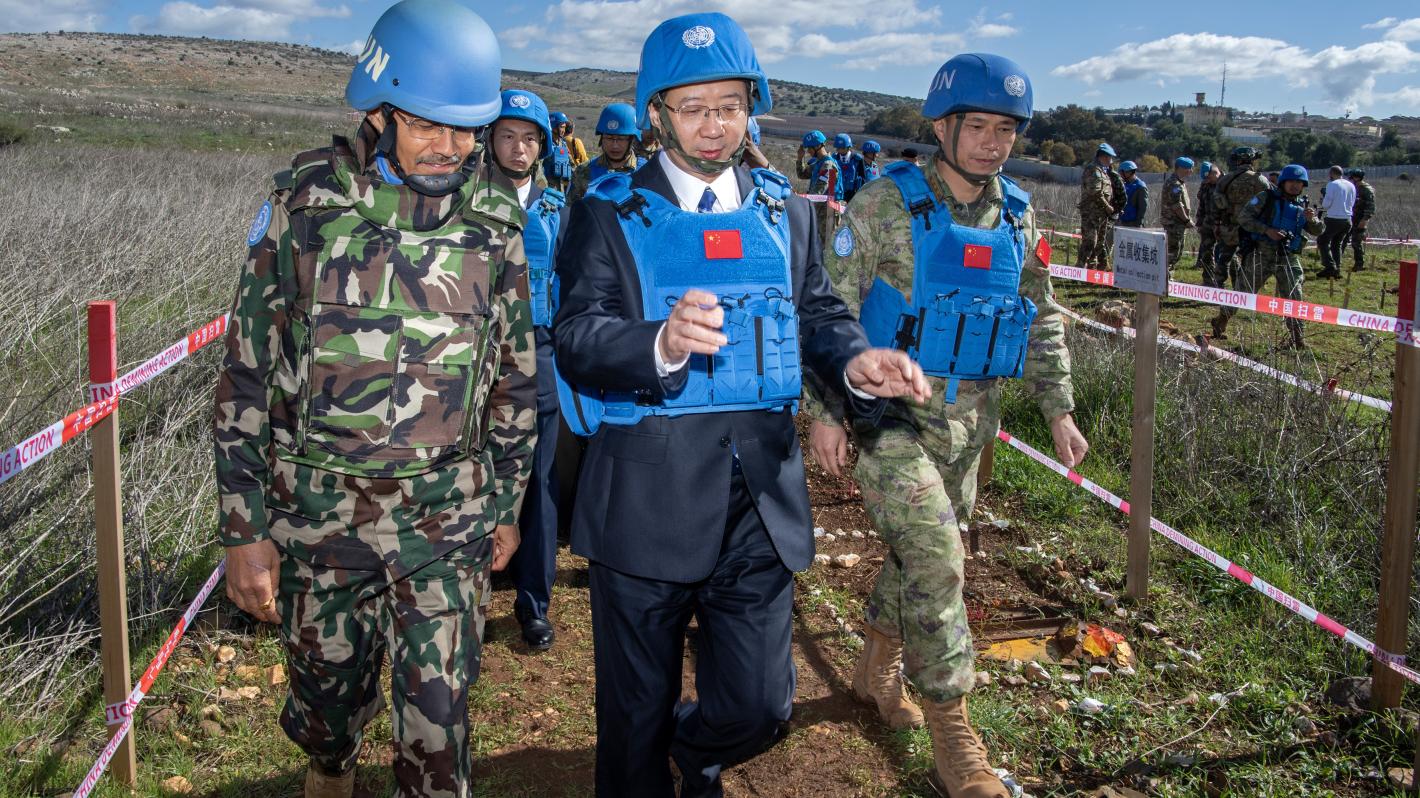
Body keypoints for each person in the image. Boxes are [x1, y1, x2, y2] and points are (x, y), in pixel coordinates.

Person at [552, 13, 929, 796]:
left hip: (758, 498)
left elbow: (819, 313)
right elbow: (578, 334)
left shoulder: (786, 211)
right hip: (644, 503)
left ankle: (695, 754)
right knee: (632, 721)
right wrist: (659, 341)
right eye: (693, 108)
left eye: (730, 105)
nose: (715, 126)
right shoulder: (606, 210)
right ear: (656, 114)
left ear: (750, 106)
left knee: (761, 704)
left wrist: (860, 361)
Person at [213, 2, 536, 796]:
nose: (451, 147)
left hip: (444, 519)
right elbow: (245, 375)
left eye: (467, 130)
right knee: (327, 710)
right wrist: (243, 532)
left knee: (439, 725)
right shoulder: (305, 211)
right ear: (382, 107)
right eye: (430, 125)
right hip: (320, 516)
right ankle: (330, 767)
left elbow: (515, 378)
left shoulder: (495, 226)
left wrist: (505, 501)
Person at [807, 53, 1087, 798]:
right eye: (980, 127)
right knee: (938, 557)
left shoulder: (1021, 215)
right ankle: (955, 734)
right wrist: (828, 411)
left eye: (1007, 129)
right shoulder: (882, 204)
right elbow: (828, 309)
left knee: (920, 557)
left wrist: (1057, 407)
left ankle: (875, 664)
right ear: (942, 126)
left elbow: (1042, 317)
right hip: (886, 418)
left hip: (971, 421)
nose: (994, 143)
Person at [488, 88, 569, 654]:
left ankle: (533, 603)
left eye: (530, 138)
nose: (520, 148)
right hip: (473, 361)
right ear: (490, 140)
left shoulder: (559, 210)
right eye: (509, 136)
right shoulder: (461, 201)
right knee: (469, 479)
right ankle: (462, 596)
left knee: (539, 484)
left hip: (540, 357)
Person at [1211, 163, 1322, 349]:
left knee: (1295, 297)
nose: (1295, 186)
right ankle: (1221, 319)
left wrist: (1313, 220)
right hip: (1261, 255)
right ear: (1283, 182)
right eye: (1291, 182)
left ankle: (1297, 338)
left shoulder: (1302, 206)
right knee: (1242, 293)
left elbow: (1317, 230)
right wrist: (1267, 230)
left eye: (1299, 183)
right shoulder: (1266, 198)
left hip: (1287, 257)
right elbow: (1244, 218)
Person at [1210, 146, 1269, 333]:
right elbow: (1269, 201)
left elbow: (1217, 202)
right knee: (1248, 261)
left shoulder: (1226, 179)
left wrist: (1220, 221)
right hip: (1251, 229)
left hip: (1229, 225)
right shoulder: (1259, 180)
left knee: (1224, 257)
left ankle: (1218, 285)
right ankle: (1239, 289)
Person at [568, 102, 644, 202]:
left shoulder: (645, 171)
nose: (614, 145)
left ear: (632, 140)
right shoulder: (583, 172)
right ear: (601, 139)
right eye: (609, 138)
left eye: (621, 139)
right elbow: (572, 212)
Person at [797, 129, 843, 251]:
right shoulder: (819, 163)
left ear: (818, 146)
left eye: (810, 148)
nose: (808, 151)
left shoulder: (828, 165)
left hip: (828, 213)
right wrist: (800, 158)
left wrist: (800, 199)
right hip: (819, 210)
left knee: (826, 248)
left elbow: (819, 192)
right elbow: (802, 174)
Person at [1077, 142, 1118, 268]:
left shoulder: (1103, 171)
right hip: (1091, 212)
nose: (1111, 160)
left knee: (1099, 244)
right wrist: (1107, 206)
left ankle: (1091, 271)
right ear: (1103, 157)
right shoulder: (1093, 170)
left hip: (1101, 214)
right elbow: (1094, 192)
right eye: (1110, 157)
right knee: (1090, 242)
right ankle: (1079, 269)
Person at [1316, 165, 1355, 279]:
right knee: (1336, 244)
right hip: (1347, 219)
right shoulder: (1351, 185)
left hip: (1334, 218)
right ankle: (1337, 268)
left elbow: (1326, 204)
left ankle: (1329, 267)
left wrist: (1322, 202)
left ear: (1332, 174)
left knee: (1322, 241)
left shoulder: (1332, 184)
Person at [1160, 156, 1195, 269]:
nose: (1191, 171)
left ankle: (1168, 276)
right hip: (1173, 224)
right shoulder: (1174, 183)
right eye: (1189, 168)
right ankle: (1166, 279)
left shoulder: (1179, 183)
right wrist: (1186, 220)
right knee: (1172, 253)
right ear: (1181, 168)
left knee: (1176, 252)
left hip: (1177, 224)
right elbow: (1177, 205)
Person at [1196, 161, 1222, 286]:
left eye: (1208, 177)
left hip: (1223, 225)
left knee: (1225, 255)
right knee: (1206, 252)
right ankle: (1208, 281)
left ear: (1215, 173)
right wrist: (1199, 222)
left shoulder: (1226, 184)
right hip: (1207, 223)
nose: (1206, 180)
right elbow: (1201, 204)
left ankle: (1227, 282)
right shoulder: (1205, 185)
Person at [1346, 167, 1375, 271]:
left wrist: (1364, 220)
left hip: (1360, 219)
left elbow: (1371, 207)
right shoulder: (1354, 187)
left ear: (1357, 177)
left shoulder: (1366, 189)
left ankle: (1359, 264)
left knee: (1356, 242)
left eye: (1352, 177)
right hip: (1351, 218)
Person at [544, 111, 576, 192]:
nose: (564, 130)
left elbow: (571, 163)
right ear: (553, 127)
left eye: (564, 127)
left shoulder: (563, 144)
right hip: (546, 186)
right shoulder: (544, 143)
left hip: (561, 186)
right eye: (561, 127)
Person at [833, 132, 866, 202]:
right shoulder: (833, 159)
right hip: (837, 195)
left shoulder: (858, 160)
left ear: (848, 147)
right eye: (838, 148)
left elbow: (863, 178)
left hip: (853, 196)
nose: (840, 150)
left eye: (842, 148)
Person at [1115, 160, 1148, 228]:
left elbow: (1142, 208)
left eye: (1122, 173)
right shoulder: (1124, 184)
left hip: (1133, 223)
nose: (1120, 175)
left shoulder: (1140, 186)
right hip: (1122, 221)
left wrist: (1138, 224)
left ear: (1128, 172)